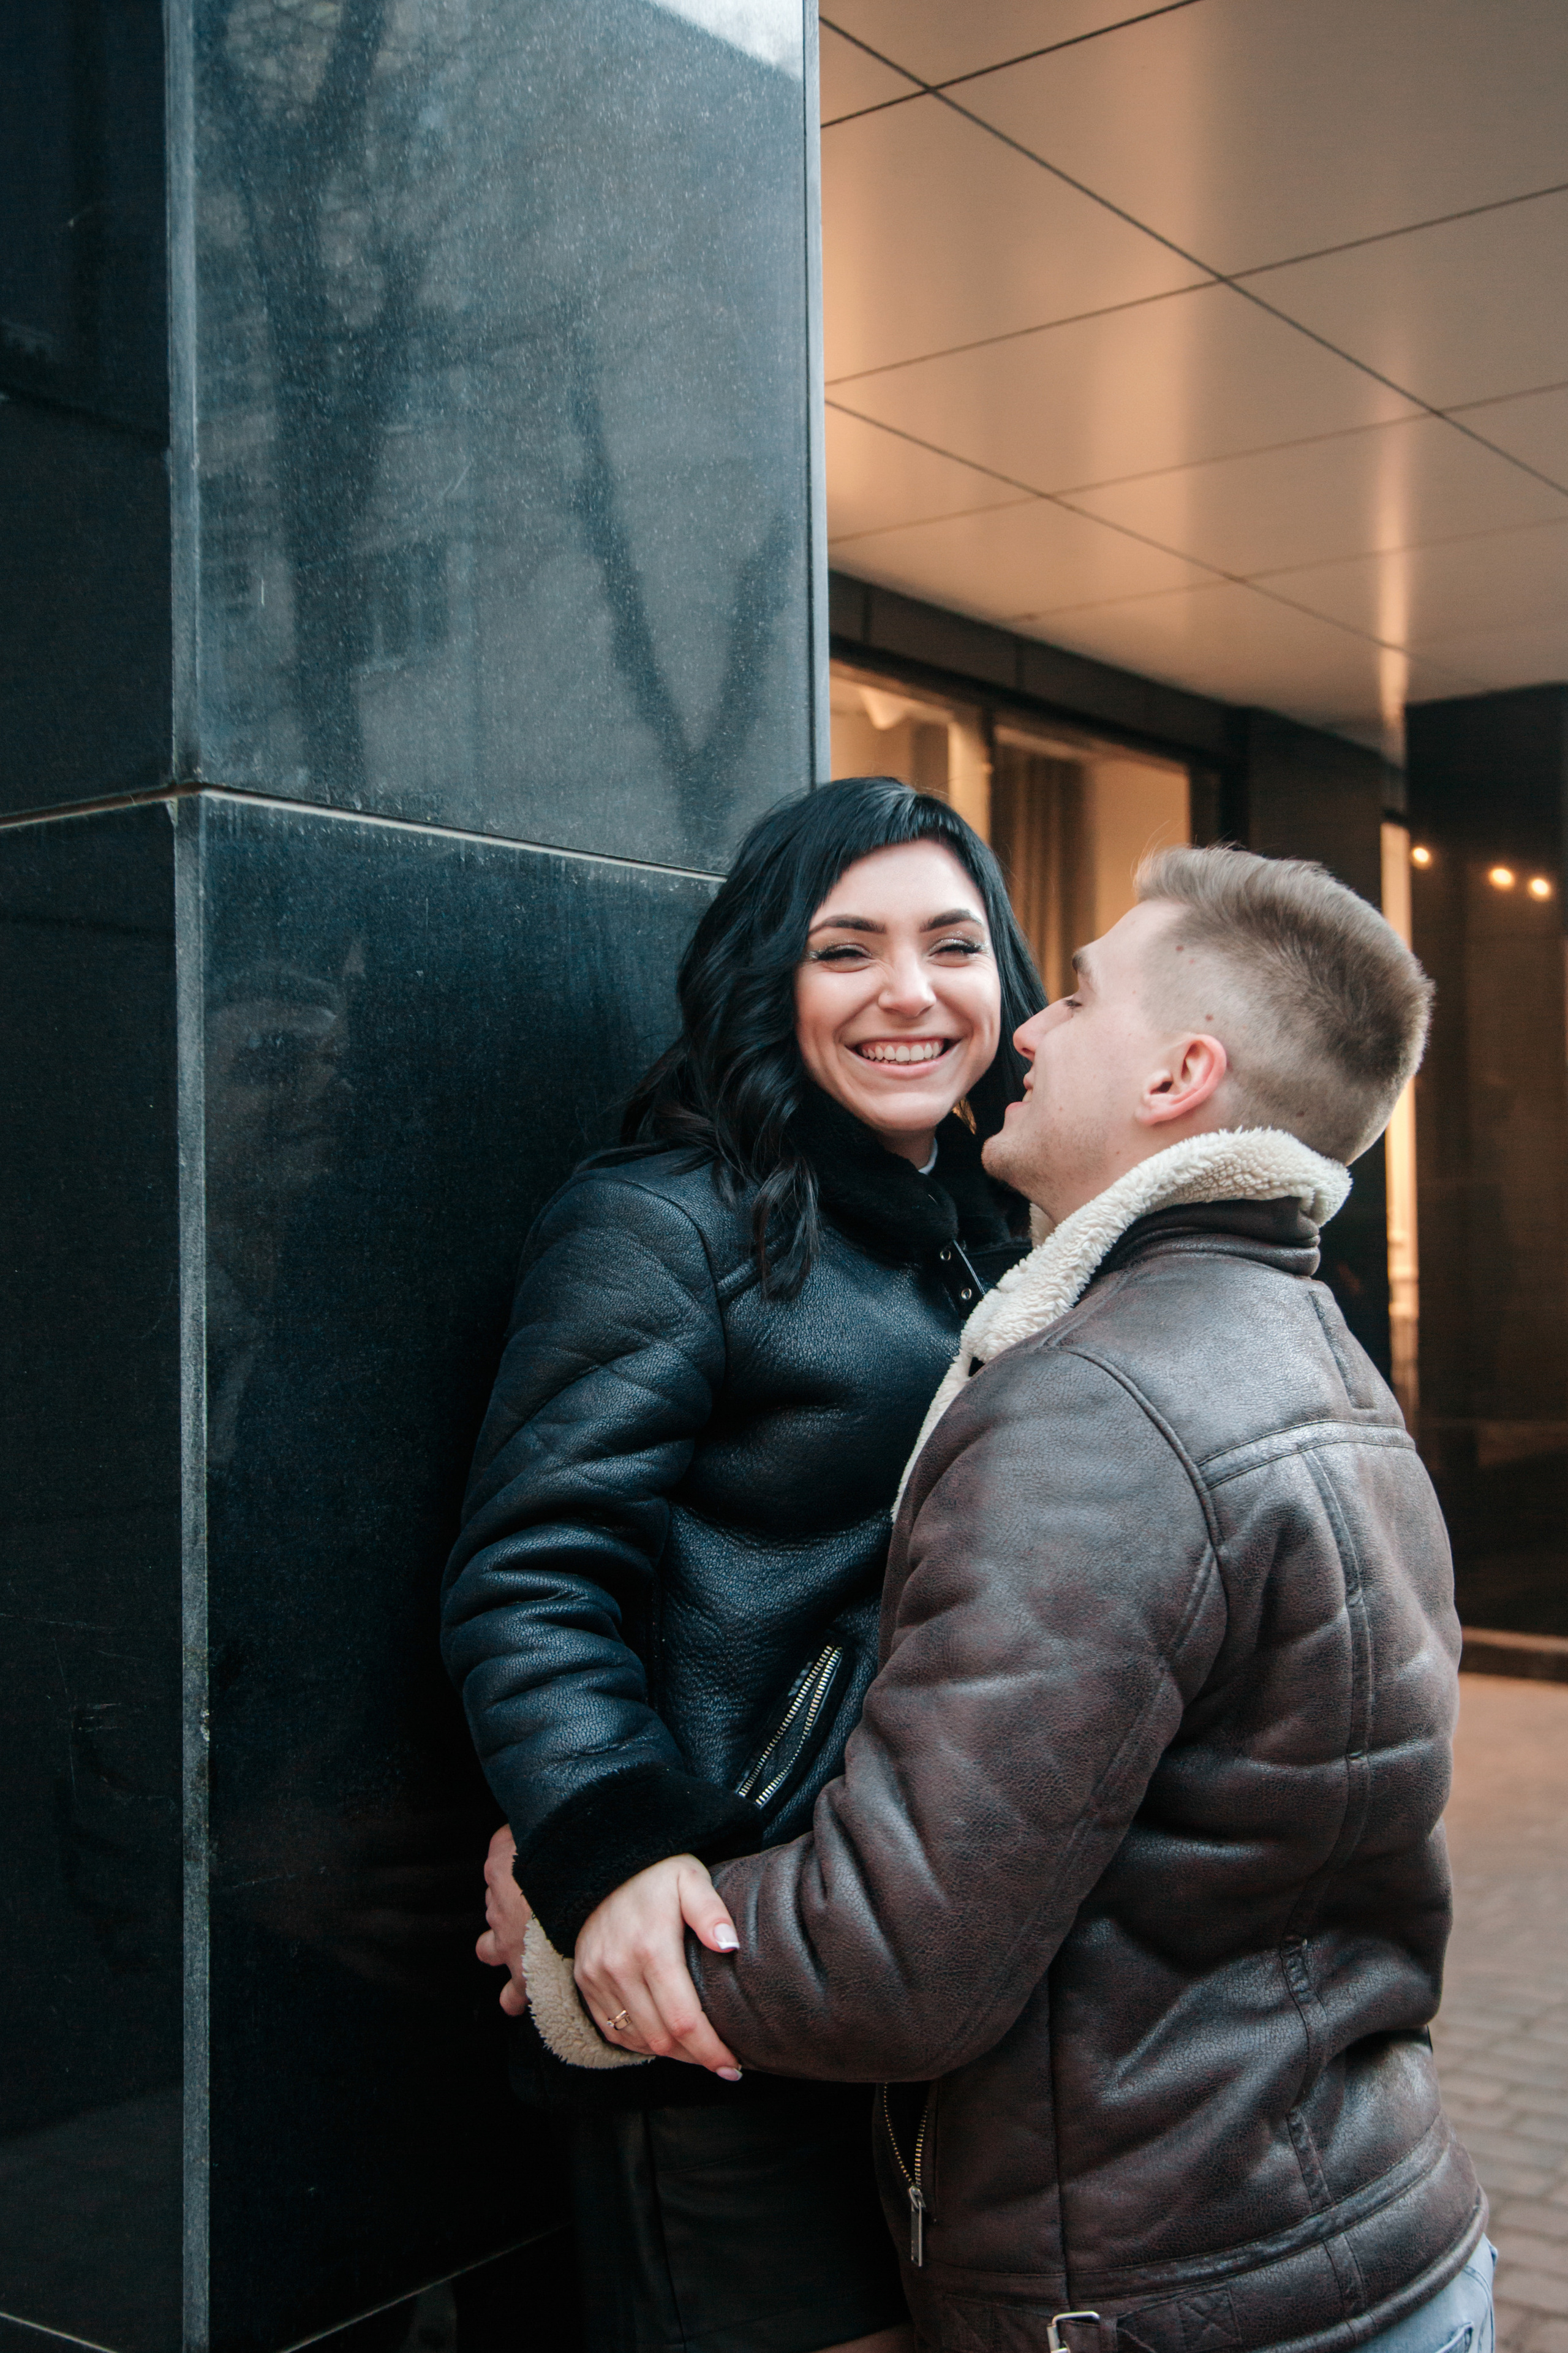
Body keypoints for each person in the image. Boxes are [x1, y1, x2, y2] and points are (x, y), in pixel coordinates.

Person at [520, 844, 1491, 2353]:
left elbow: (895, 1958)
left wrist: (576, 1936)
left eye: (1074, 990)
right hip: (1355, 2221)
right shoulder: (1310, 1350)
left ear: (1179, 1074)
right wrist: (606, 1817)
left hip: (1161, 2279)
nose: (1024, 1022)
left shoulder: (1097, 1398)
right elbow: (543, 1568)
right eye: (844, 949)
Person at [440, 777, 1044, 2353]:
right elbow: (531, 1573)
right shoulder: (661, 1223)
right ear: (768, 979)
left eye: (950, 945)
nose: (908, 994)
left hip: (913, 1960)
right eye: (845, 950)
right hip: (719, 1973)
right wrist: (613, 1850)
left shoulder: (1004, 1226)